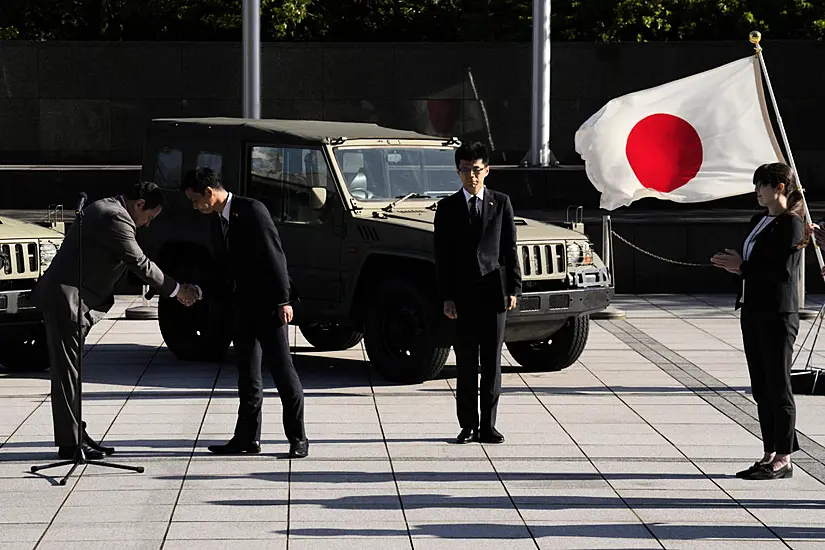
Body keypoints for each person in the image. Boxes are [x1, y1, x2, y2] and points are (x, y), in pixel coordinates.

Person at [31, 182, 200, 460]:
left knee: (71, 373)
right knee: (67, 375)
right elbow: (139, 262)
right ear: (139, 205)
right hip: (67, 301)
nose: (146, 224)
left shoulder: (107, 208)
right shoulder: (115, 216)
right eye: (149, 217)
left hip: (73, 300)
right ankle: (70, 443)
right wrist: (177, 290)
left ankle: (75, 434)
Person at [179, 167, 308, 459]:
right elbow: (222, 268)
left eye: (195, 200)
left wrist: (283, 300)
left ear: (209, 193)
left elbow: (275, 256)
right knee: (247, 375)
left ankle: (298, 437)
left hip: (268, 305)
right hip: (241, 307)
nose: (194, 206)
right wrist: (202, 290)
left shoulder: (252, 211)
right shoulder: (216, 221)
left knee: (282, 370)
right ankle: (247, 438)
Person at [711, 162, 809, 480]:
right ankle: (769, 451)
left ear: (779, 186)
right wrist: (737, 266)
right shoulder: (759, 220)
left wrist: (743, 268)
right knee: (761, 385)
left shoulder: (792, 224)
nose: (757, 192)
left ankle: (784, 457)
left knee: (778, 384)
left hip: (778, 312)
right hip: (753, 308)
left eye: (761, 185)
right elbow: (754, 262)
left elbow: (782, 272)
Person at [434, 141, 522, 445]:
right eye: (464, 170)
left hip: (494, 293)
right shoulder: (446, 208)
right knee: (467, 362)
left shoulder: (501, 203)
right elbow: (442, 256)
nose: (471, 175)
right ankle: (468, 425)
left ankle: (489, 425)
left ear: (487, 170)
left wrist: (514, 288)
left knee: (492, 362)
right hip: (462, 297)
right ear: (457, 172)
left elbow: (510, 249)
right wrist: (446, 296)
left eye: (476, 169)